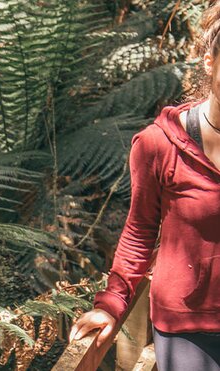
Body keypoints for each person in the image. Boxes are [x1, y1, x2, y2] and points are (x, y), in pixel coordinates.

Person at [68, 4, 220, 371]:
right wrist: (111, 305)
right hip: (187, 326)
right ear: (210, 63)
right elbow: (139, 231)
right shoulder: (159, 144)